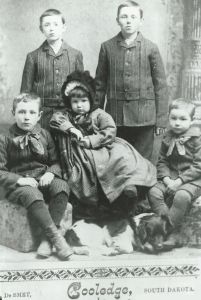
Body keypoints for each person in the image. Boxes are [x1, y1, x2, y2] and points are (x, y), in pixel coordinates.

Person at [50, 70, 157, 222]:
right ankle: (99, 205)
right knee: (86, 174)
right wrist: (72, 129)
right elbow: (55, 120)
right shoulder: (66, 115)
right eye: (75, 102)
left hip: (104, 149)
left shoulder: (99, 114)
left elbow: (109, 132)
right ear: (69, 102)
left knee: (122, 159)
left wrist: (90, 140)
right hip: (81, 156)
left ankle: (127, 188)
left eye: (84, 101)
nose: (79, 105)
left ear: (91, 100)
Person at [0, 93, 73, 260]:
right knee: (31, 193)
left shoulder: (45, 135)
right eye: (22, 112)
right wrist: (19, 180)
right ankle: (56, 238)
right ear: (13, 113)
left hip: (43, 178)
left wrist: (49, 173)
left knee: (62, 186)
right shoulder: (4, 138)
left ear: (39, 115)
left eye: (32, 113)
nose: (27, 117)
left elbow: (56, 162)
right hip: (19, 185)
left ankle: (47, 241)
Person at [95, 0, 168, 161]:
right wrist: (96, 116)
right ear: (117, 20)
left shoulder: (151, 48)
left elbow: (161, 87)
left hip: (145, 118)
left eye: (133, 17)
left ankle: (141, 187)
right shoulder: (107, 47)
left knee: (142, 162)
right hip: (115, 117)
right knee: (118, 160)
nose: (128, 21)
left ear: (141, 21)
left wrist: (161, 120)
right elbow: (100, 85)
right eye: (124, 16)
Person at [148, 99, 201, 247]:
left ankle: (166, 232)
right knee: (153, 192)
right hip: (170, 177)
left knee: (181, 196)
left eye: (183, 119)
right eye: (173, 118)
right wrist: (166, 179)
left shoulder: (197, 138)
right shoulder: (168, 136)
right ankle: (167, 226)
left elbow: (199, 166)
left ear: (191, 121)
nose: (177, 123)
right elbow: (162, 161)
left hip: (192, 179)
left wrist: (179, 181)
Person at [21, 9, 84, 129]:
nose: (51, 28)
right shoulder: (33, 57)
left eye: (56, 24)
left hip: (68, 115)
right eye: (47, 25)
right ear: (41, 29)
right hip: (42, 116)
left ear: (64, 27)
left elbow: (81, 90)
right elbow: (26, 93)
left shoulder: (76, 55)